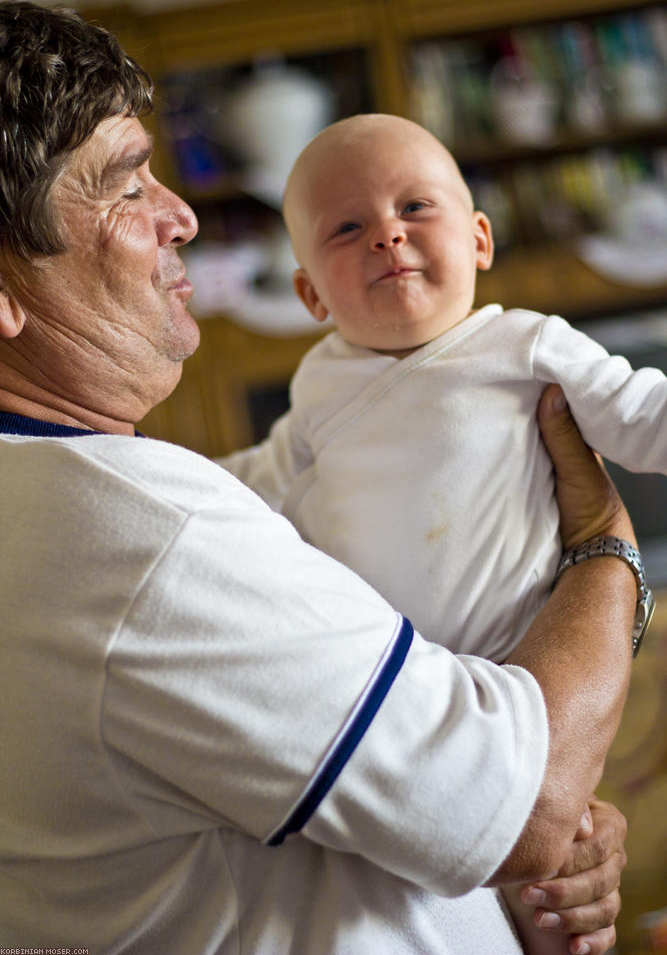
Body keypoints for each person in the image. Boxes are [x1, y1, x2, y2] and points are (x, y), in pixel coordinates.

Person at [0, 2, 638, 955]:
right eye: (125, 188)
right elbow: (528, 803)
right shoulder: (134, 534)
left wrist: (500, 904)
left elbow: (315, 825)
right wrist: (605, 549)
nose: (180, 216)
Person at [221, 113, 665, 664]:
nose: (387, 234)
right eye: (347, 228)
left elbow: (644, 414)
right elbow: (265, 476)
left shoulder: (525, 344)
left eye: (414, 207)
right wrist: (174, 475)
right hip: (376, 671)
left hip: (518, 661)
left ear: (479, 240)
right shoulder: (320, 377)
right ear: (311, 294)